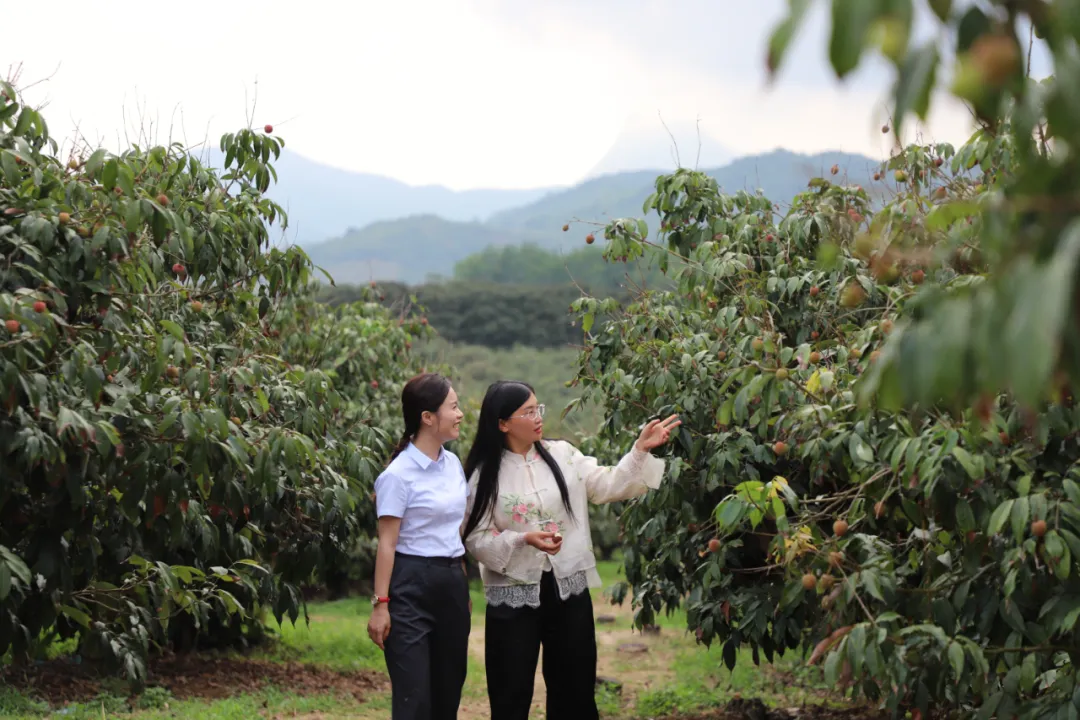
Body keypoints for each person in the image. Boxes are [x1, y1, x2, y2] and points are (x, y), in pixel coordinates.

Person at [461, 380, 680, 720]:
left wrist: (639, 451)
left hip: (567, 586)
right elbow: (475, 537)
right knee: (510, 689)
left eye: (539, 409)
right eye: (528, 411)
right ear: (502, 423)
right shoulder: (483, 475)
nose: (537, 417)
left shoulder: (564, 455)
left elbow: (607, 483)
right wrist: (522, 539)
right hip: (513, 591)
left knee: (574, 687)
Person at [367, 372, 471, 720]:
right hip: (410, 585)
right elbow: (387, 543)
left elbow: (454, 530)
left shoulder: (453, 463)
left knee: (448, 690)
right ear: (428, 417)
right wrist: (381, 605)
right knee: (415, 697)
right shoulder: (397, 476)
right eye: (453, 407)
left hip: (451, 582)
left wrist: (460, 582)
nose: (460, 414)